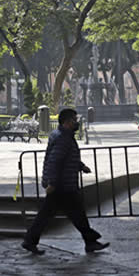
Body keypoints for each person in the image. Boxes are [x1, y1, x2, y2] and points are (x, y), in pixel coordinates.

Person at [22, 108, 109, 255]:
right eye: (74, 120)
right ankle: (30, 241)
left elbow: (66, 158)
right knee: (59, 215)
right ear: (67, 122)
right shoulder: (63, 138)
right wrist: (52, 183)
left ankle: (90, 242)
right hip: (62, 185)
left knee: (73, 214)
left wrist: (81, 166)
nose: (77, 122)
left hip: (63, 184)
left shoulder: (63, 135)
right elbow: (55, 161)